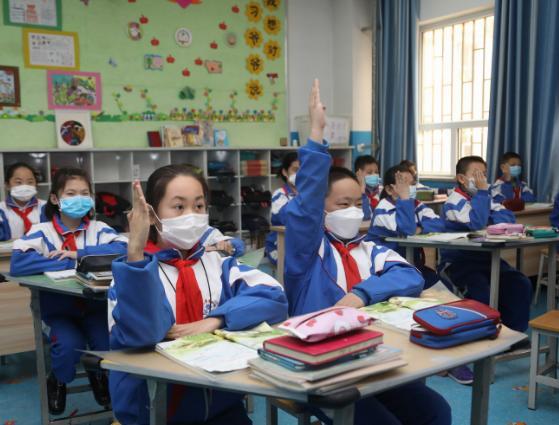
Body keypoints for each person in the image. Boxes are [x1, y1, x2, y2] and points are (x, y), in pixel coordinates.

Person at [283, 79, 451, 425]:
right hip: (325, 371)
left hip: (373, 356)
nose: (353, 211)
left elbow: (409, 276)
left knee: (437, 411)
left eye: (357, 203)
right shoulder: (308, 253)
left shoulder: (369, 248)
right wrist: (316, 134)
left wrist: (360, 294)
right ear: (320, 209)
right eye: (342, 204)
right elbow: (305, 204)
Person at [108, 164, 288, 424]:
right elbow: (143, 334)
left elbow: (274, 296)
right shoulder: (130, 275)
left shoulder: (217, 263)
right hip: (155, 412)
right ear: (152, 214)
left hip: (220, 404)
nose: (191, 215)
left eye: (199, 206)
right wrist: (135, 252)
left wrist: (216, 320)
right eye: (179, 207)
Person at [10, 167, 128, 415]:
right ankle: (59, 379)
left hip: (96, 310)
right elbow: (18, 263)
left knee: (107, 344)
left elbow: (123, 250)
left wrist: (79, 254)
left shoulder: (99, 228)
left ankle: (98, 375)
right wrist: (69, 263)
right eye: (71, 193)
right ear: (55, 198)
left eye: (85, 193)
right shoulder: (41, 231)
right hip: (58, 312)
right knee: (67, 346)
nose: (79, 199)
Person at [440, 156, 532, 335]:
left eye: (483, 174)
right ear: (461, 178)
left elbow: (508, 217)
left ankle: (512, 335)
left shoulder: (483, 197)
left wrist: (486, 215)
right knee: (481, 292)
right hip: (459, 263)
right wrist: (485, 203)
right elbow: (476, 223)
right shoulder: (454, 201)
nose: (481, 179)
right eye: (476, 174)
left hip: (487, 260)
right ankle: (483, 336)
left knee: (520, 283)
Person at [366, 163, 445, 288]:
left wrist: (421, 228)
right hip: (387, 268)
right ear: (389, 189)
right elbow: (407, 230)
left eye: (412, 184)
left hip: (411, 264)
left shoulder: (416, 204)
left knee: (441, 285)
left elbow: (440, 224)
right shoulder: (383, 209)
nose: (410, 188)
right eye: (404, 185)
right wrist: (404, 199)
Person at [265, 152, 299, 265]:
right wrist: (301, 197)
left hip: (300, 244)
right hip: (279, 246)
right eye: (296, 170)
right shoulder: (280, 194)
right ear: (285, 172)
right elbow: (284, 217)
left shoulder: (309, 194)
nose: (300, 174)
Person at [0, 162, 47, 240]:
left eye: (30, 182)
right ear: (7, 185)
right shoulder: (1, 209)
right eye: (19, 182)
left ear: (36, 184)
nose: (25, 186)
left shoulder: (46, 207)